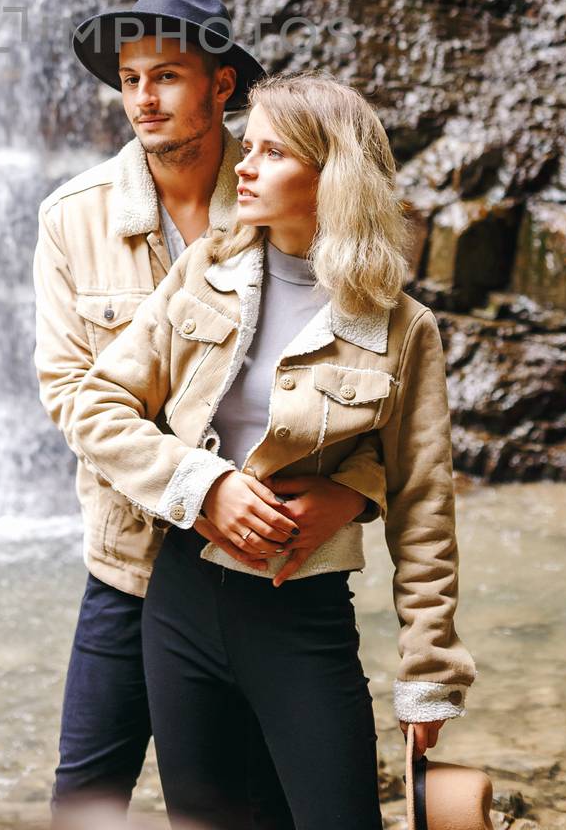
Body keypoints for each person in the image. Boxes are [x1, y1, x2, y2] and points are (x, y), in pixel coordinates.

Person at [71, 72, 476, 830]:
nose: (243, 166)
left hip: (300, 619)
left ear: (331, 177)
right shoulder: (204, 274)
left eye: (270, 152)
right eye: (245, 147)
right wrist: (199, 482)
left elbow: (423, 504)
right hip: (180, 606)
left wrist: (428, 673)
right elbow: (96, 406)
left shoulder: (401, 327)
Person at [34, 0, 387, 823]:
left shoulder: (290, 188)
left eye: (166, 76)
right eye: (129, 80)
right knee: (85, 796)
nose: (143, 100)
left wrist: (357, 492)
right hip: (131, 556)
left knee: (256, 801)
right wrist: (199, 487)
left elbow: (382, 386)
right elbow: (69, 392)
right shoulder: (72, 218)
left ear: (220, 86)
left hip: (264, 575)